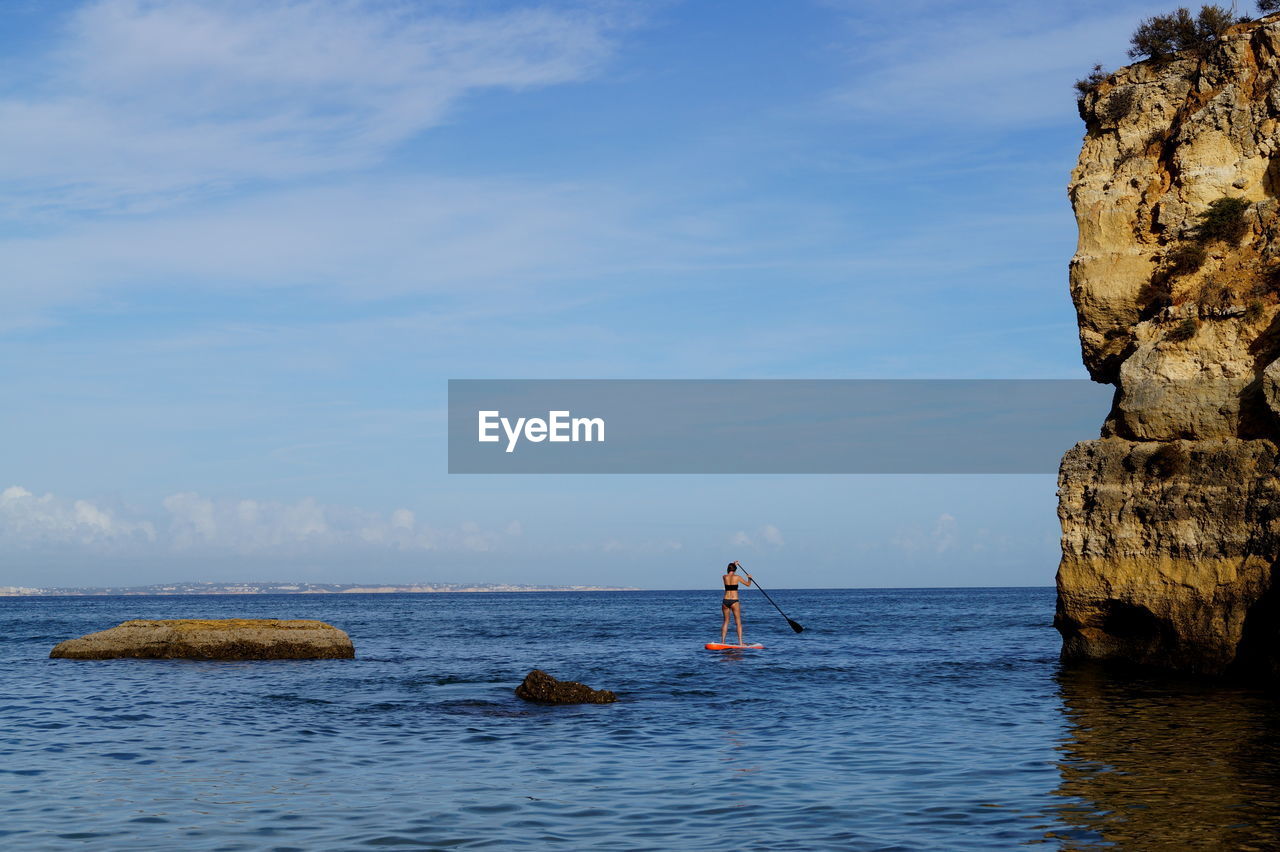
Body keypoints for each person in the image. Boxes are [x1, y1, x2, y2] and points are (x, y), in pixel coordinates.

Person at [720, 560, 753, 645]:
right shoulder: (737, 577)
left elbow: (730, 570)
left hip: (725, 601)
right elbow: (748, 584)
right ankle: (741, 643)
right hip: (734, 601)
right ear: (735, 570)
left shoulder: (724, 577)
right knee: (738, 622)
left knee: (726, 621)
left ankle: (723, 642)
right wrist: (749, 578)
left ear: (728, 569)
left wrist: (734, 565)